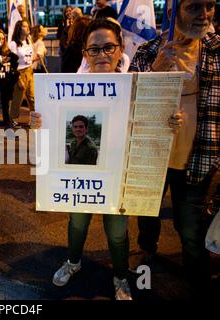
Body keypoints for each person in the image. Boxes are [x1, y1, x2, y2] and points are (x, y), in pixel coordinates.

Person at [129, 0, 219, 296]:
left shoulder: (217, 51)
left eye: (209, 6)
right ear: (172, 13)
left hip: (199, 157)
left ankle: (197, 278)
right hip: (153, 157)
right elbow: (127, 102)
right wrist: (155, 70)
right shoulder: (148, 52)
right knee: (148, 214)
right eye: (194, 7)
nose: (204, 14)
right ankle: (148, 251)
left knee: (191, 227)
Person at [51, 19, 132, 300]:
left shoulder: (134, 88)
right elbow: (53, 125)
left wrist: (169, 120)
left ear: (120, 50)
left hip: (119, 175)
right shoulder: (71, 88)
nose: (101, 55)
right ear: (85, 54)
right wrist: (40, 121)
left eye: (108, 47)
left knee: (118, 232)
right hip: (82, 178)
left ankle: (121, 276)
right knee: (77, 224)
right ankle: (73, 262)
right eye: (94, 49)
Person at [9, 19, 35, 128]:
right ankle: (12, 120)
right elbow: (12, 62)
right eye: (24, 26)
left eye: (28, 26)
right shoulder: (13, 44)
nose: (27, 28)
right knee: (17, 99)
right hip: (19, 72)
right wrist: (18, 78)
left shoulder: (29, 40)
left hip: (29, 71)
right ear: (19, 28)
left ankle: (34, 119)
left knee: (33, 97)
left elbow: (30, 56)